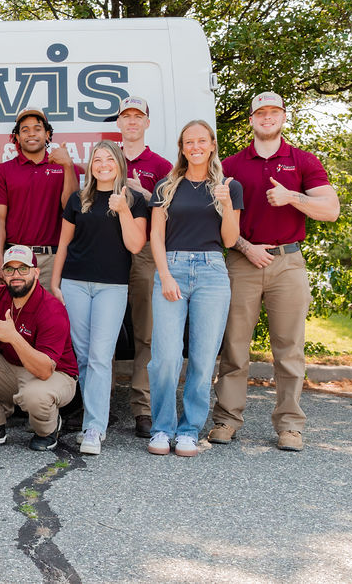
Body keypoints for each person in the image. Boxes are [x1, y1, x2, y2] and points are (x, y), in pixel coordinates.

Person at [210, 92, 339, 452]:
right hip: (242, 259)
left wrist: (293, 197)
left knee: (289, 348)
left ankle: (290, 426)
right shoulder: (232, 164)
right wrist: (246, 248)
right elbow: (216, 219)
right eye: (260, 113)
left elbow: (330, 209)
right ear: (251, 120)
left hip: (288, 262)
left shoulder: (302, 161)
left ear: (283, 117)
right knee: (235, 346)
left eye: (274, 112)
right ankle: (227, 419)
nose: (267, 118)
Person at [147, 120, 242, 457]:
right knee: (166, 357)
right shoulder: (166, 186)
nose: (196, 147)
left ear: (212, 145)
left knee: (202, 358)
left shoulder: (229, 186)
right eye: (189, 142)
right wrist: (166, 275)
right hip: (171, 267)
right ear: (182, 147)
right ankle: (162, 428)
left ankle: (189, 431)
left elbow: (230, 240)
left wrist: (227, 204)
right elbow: (155, 236)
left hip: (212, 272)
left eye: (202, 141)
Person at [51, 140, 147, 454]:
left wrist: (121, 211)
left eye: (109, 159)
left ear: (119, 163)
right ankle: (94, 422)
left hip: (112, 287)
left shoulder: (134, 201)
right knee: (81, 357)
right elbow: (64, 244)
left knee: (100, 356)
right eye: (97, 159)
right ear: (91, 166)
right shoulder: (78, 199)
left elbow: (135, 245)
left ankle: (94, 428)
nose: (103, 164)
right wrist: (55, 283)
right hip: (74, 284)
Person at [0, 245, 79, 451]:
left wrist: (14, 337)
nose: (16, 275)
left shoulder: (51, 309)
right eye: (10, 270)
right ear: (3, 274)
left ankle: (47, 430)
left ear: (36, 273)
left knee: (35, 396)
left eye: (23, 268)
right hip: (12, 369)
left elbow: (45, 370)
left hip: (56, 375)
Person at [117, 95, 173, 438]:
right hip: (108, 253)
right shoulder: (106, 158)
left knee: (146, 334)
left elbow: (171, 213)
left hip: (146, 254)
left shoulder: (162, 166)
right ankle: (96, 406)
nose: (132, 122)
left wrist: (145, 194)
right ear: (119, 123)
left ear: (147, 123)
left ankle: (142, 408)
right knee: (100, 332)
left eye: (139, 116)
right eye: (127, 116)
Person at [0, 108, 78, 288]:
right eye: (25, 129)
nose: (31, 134)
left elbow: (71, 208)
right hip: (14, 258)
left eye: (37, 129)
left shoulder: (65, 167)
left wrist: (68, 165)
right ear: (17, 137)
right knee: (8, 316)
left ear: (47, 135)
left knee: (51, 316)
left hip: (52, 259)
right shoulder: (3, 171)